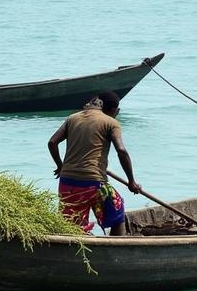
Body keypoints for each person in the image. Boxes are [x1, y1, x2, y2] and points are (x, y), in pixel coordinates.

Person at [47, 91, 142, 236]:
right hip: (93, 184)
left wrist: (61, 166)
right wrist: (131, 182)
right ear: (114, 110)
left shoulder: (72, 118)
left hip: (67, 183)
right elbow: (121, 151)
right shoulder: (111, 122)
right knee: (117, 212)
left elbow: (52, 142)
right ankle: (117, 247)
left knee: (71, 225)